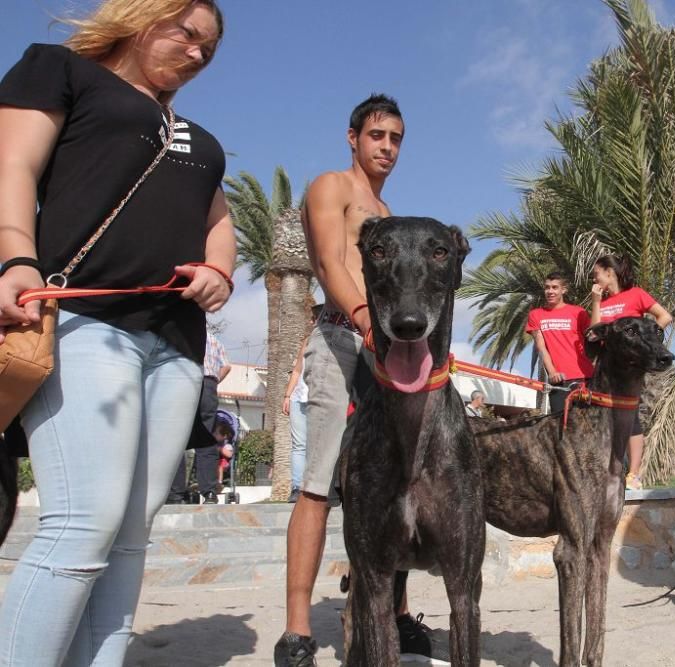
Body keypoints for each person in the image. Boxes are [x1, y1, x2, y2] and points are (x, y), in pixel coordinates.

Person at [0, 2, 233, 663]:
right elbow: (10, 166)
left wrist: (219, 270)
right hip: (85, 317)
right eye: (186, 34)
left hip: (177, 343)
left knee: (130, 534)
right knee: (83, 524)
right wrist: (16, 258)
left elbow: (219, 221)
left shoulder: (195, 135)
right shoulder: (63, 72)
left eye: (208, 50)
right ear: (141, 15)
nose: (196, 55)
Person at [275, 94, 430, 665]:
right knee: (318, 482)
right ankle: (297, 630)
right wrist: (366, 320)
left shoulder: (390, 216)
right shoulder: (331, 188)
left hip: (389, 351)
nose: (387, 147)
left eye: (396, 139)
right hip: (342, 339)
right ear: (353, 138)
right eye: (377, 136)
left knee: (397, 485)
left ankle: (394, 611)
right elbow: (327, 264)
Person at [590, 254, 673, 490]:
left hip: (632, 366)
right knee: (605, 417)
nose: (594, 278)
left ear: (609, 272)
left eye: (597, 273)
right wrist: (596, 302)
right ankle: (608, 469)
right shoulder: (602, 304)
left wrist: (647, 344)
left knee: (631, 416)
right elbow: (595, 333)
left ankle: (633, 475)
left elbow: (664, 316)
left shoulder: (636, 294)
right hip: (608, 368)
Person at [168, 328, 231, 504]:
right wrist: (214, 381)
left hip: (185, 380)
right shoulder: (214, 340)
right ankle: (209, 492)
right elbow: (226, 366)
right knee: (207, 437)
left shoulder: (181, 334)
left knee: (176, 437)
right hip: (208, 383)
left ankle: (176, 493)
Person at [526, 271, 594, 415]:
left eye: (555, 287)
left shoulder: (578, 312)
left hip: (584, 377)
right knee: (559, 425)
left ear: (564, 289)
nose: (550, 291)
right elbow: (541, 347)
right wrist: (552, 372)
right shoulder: (536, 315)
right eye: (547, 287)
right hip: (558, 380)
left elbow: (592, 341)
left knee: (586, 426)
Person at [282, 305, 323, 504]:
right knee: (299, 445)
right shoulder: (306, 341)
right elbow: (297, 370)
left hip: (320, 399)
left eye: (313, 319)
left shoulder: (330, 341)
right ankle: (297, 487)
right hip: (299, 398)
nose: (310, 322)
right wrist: (287, 396)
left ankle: (316, 488)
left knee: (318, 444)